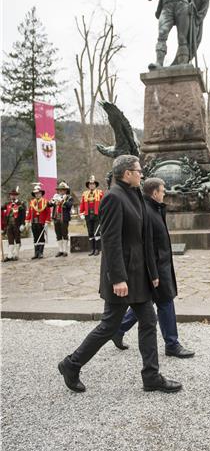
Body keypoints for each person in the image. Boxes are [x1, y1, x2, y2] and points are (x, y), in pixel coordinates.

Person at [58, 155, 182, 394]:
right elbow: (111, 241)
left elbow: (144, 239)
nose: (141, 174)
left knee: (148, 320)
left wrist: (153, 272)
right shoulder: (113, 198)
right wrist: (117, 278)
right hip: (123, 278)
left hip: (139, 275)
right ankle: (71, 364)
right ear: (127, 174)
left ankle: (151, 376)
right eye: (138, 170)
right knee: (108, 326)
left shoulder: (135, 194)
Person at [113, 177, 195, 358]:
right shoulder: (148, 211)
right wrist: (154, 272)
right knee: (166, 302)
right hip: (156, 267)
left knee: (146, 303)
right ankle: (172, 344)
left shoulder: (153, 208)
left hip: (159, 265)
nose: (165, 193)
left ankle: (118, 329)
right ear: (155, 193)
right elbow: (146, 244)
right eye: (163, 190)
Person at [80, 175, 104, 256]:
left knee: (96, 232)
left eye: (93, 184)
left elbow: (103, 204)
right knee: (90, 232)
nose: (91, 185)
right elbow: (82, 204)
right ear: (88, 185)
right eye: (90, 184)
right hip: (88, 214)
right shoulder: (85, 194)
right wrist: (81, 213)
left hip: (97, 214)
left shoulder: (100, 193)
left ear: (95, 185)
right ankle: (92, 249)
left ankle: (97, 249)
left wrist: (103, 213)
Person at [25, 184, 51, 259]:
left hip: (41, 222)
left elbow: (48, 212)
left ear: (41, 193)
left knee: (41, 238)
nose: (37, 194)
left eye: (38, 193)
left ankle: (40, 253)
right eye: (36, 193)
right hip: (33, 222)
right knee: (35, 237)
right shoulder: (32, 202)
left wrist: (47, 221)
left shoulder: (45, 201)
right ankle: (36, 253)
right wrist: (27, 221)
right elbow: (30, 212)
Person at [48, 181, 73, 257]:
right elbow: (49, 205)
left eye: (63, 189)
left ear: (66, 190)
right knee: (58, 234)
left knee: (64, 234)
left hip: (64, 218)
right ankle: (60, 250)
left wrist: (62, 201)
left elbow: (69, 205)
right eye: (60, 190)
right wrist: (52, 201)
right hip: (56, 218)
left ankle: (65, 250)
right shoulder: (55, 197)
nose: (61, 191)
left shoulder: (69, 197)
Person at [2, 187, 26, 262]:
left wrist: (22, 224)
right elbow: (1, 209)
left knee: (17, 239)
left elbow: (23, 215)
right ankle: (10, 255)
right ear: (10, 196)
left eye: (14, 195)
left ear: (17, 196)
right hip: (9, 225)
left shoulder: (21, 204)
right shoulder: (7, 204)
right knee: (10, 240)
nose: (13, 196)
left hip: (17, 224)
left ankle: (16, 255)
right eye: (12, 195)